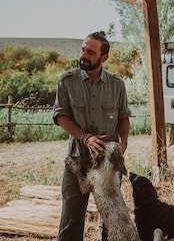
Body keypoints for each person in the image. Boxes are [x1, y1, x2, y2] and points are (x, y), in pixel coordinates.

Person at [53, 31, 130, 240]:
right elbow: (60, 115)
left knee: (112, 218)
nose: (83, 55)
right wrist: (85, 137)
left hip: (107, 163)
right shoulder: (66, 81)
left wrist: (124, 143)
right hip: (77, 159)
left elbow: (123, 116)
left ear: (103, 57)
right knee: (71, 217)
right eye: (83, 49)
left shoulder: (117, 84)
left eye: (90, 52)